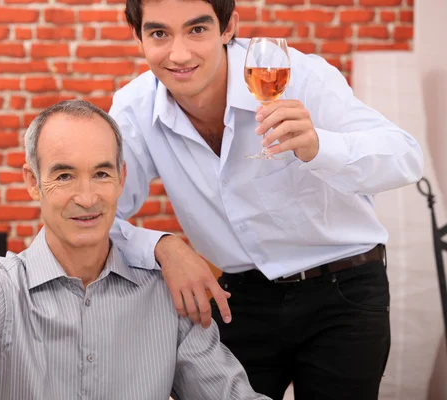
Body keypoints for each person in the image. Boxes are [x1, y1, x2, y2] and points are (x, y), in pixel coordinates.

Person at [108, 0, 424, 399]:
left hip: (342, 290)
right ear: (138, 37)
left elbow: (405, 157)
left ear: (228, 28)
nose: (179, 53)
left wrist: (319, 146)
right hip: (239, 300)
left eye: (197, 30)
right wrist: (162, 246)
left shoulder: (298, 74)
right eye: (159, 34)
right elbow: (100, 212)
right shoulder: (134, 109)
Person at [0, 100, 269, 400]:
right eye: (64, 175)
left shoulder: (166, 294)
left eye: (102, 174)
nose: (87, 197)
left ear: (122, 178)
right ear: (32, 182)